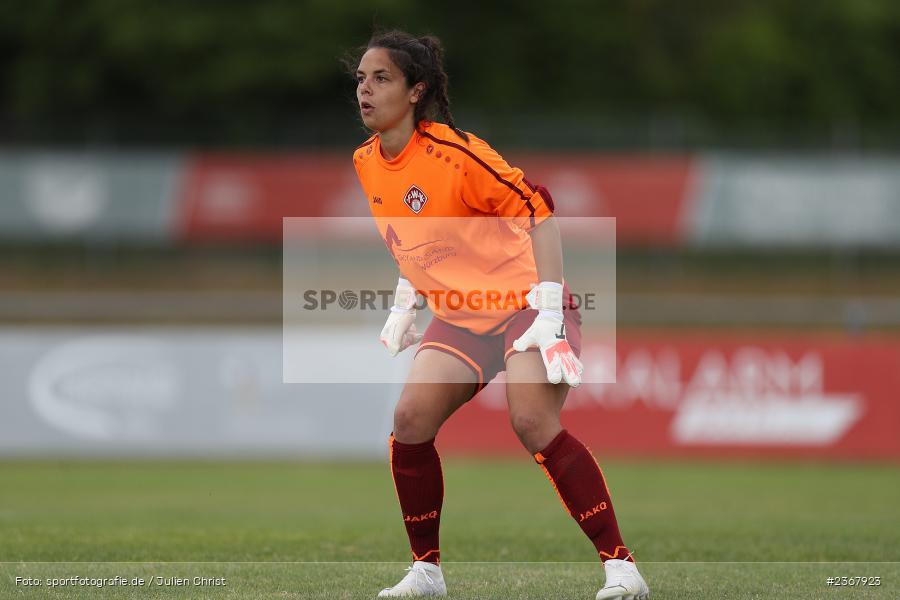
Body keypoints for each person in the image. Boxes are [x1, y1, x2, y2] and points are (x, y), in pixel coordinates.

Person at [349, 30, 649, 600]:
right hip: (464, 315)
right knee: (410, 420)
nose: (365, 90)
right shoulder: (367, 161)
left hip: (526, 304)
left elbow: (540, 210)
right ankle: (426, 573)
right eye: (361, 79)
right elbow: (413, 238)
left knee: (531, 420)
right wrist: (406, 296)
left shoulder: (457, 153)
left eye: (381, 78)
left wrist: (551, 310)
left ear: (416, 91)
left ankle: (621, 567)